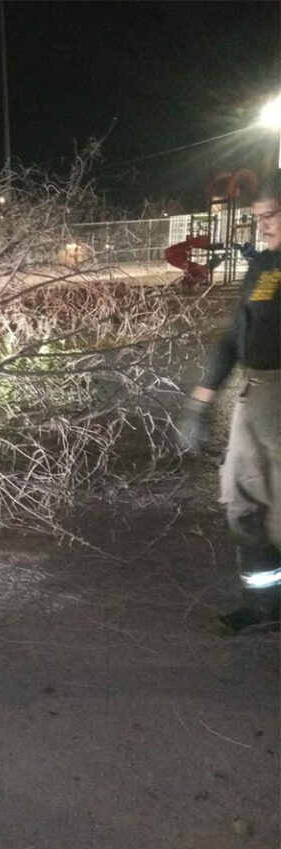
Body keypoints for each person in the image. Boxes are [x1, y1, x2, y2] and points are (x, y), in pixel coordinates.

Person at [177, 173, 280, 633]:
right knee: (242, 507)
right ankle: (264, 606)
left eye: (273, 215)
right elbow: (233, 334)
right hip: (254, 397)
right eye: (259, 217)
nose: (264, 225)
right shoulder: (264, 267)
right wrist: (201, 399)